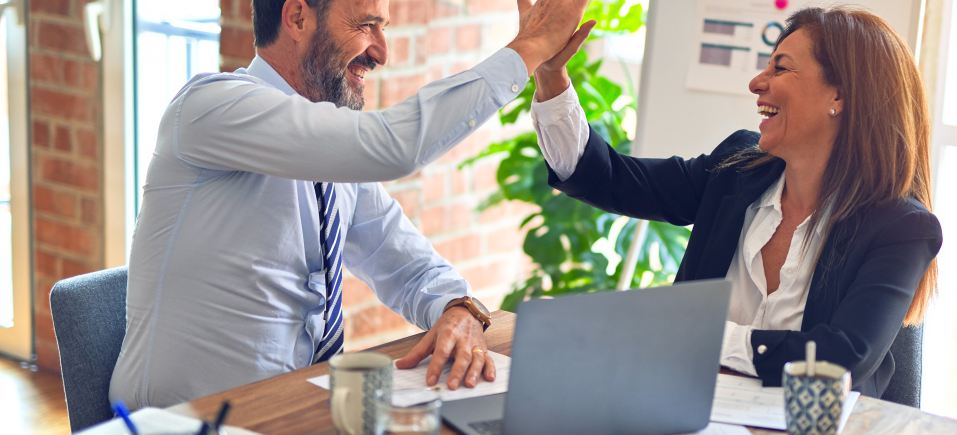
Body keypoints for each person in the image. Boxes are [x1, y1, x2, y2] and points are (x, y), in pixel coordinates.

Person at [110, 0, 595, 408]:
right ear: (298, 18)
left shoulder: (328, 152)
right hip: (187, 420)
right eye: (366, 26)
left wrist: (458, 308)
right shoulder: (211, 108)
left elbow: (409, 266)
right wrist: (529, 48)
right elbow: (391, 146)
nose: (381, 52)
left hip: (293, 408)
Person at [529, 6, 942, 398]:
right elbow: (608, 178)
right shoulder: (736, 171)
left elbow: (840, 359)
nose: (757, 82)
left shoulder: (901, 228)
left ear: (840, 96)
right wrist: (551, 74)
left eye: (780, 67)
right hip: (686, 412)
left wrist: (700, 335)